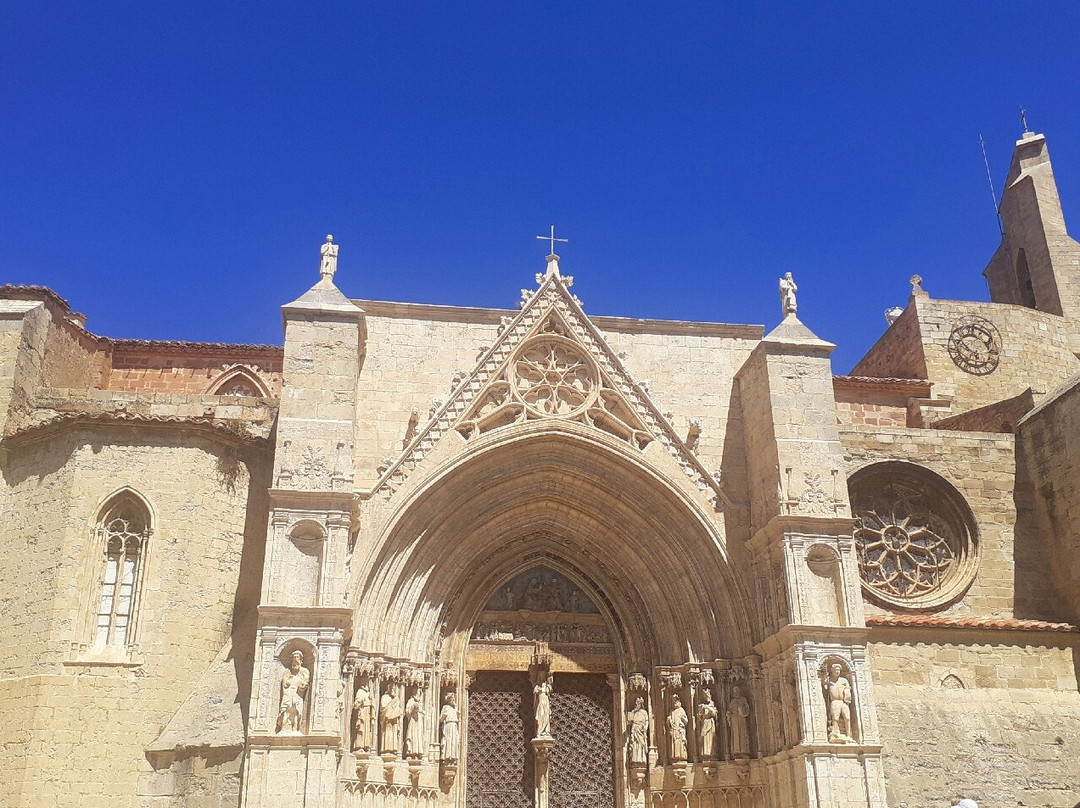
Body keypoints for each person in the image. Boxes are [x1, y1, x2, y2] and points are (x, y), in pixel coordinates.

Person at [277, 650, 310, 734]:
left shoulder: (304, 671)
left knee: (297, 711)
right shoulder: (287, 672)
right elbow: (284, 684)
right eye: (294, 657)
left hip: (297, 694)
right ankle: (283, 728)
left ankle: (296, 728)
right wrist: (288, 682)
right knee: (285, 710)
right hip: (288, 694)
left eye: (297, 657)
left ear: (301, 660)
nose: (295, 659)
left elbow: (305, 683)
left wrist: (301, 685)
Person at [824, 663, 853, 742]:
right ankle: (835, 733)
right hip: (835, 701)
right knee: (835, 718)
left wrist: (847, 693)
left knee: (847, 718)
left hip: (843, 701)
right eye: (836, 670)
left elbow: (848, 688)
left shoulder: (844, 680)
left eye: (839, 670)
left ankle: (848, 735)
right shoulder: (829, 680)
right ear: (832, 671)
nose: (837, 672)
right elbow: (824, 687)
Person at [727, 684, 751, 758]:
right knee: (736, 736)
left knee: (743, 734)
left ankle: (744, 751)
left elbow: (747, 709)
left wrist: (742, 711)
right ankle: (736, 752)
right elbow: (730, 710)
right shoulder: (732, 701)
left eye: (737, 690)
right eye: (734, 690)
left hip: (741, 720)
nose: (736, 692)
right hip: (734, 721)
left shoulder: (743, 699)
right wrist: (729, 714)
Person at [626, 696, 649, 766]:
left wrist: (645, 727)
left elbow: (647, 721)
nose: (636, 705)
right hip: (635, 729)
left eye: (638, 704)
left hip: (641, 730)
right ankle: (635, 760)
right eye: (636, 704)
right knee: (635, 744)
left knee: (640, 745)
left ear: (641, 704)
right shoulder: (633, 712)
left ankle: (642, 760)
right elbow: (629, 722)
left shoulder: (644, 712)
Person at [380, 688, 403, 754]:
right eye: (391, 688)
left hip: (394, 720)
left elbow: (399, 708)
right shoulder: (384, 697)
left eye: (394, 688)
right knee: (387, 733)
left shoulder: (396, 698)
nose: (393, 690)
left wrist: (395, 699)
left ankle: (394, 749)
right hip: (387, 720)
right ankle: (386, 749)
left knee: (393, 734)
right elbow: (383, 707)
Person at [697, 689, 718, 760]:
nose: (706, 696)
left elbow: (714, 714)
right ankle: (706, 755)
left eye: (707, 695)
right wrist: (700, 714)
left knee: (711, 738)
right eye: (705, 695)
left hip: (710, 724)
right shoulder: (703, 706)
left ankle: (713, 754)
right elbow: (700, 718)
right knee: (704, 739)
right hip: (705, 724)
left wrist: (707, 707)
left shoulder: (712, 704)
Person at [439, 693, 460, 763]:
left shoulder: (455, 708)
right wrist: (444, 716)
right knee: (448, 740)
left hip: (454, 726)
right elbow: (441, 720)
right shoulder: (445, 707)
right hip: (448, 726)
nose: (453, 700)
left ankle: (453, 757)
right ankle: (447, 757)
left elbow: (458, 718)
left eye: (453, 698)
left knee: (454, 741)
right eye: (451, 698)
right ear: (448, 699)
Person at [352, 683, 373, 751]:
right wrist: (361, 700)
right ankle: (359, 746)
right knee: (361, 729)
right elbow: (355, 706)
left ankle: (366, 746)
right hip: (362, 711)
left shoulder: (369, 692)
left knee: (367, 730)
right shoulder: (360, 691)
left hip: (368, 713)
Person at [667, 694, 688, 762]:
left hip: (680, 730)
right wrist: (669, 720)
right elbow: (668, 723)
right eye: (673, 702)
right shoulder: (672, 712)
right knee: (674, 742)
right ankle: (675, 757)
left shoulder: (681, 710)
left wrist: (682, 719)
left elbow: (686, 721)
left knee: (681, 742)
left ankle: (682, 756)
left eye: (676, 702)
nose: (675, 704)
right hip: (674, 730)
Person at [404, 692, 423, 758]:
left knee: (418, 736)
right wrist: (413, 707)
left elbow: (422, 712)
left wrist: (421, 712)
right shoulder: (410, 701)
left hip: (419, 721)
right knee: (412, 735)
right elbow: (407, 712)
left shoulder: (420, 702)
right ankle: (411, 752)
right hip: (412, 720)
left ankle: (418, 752)